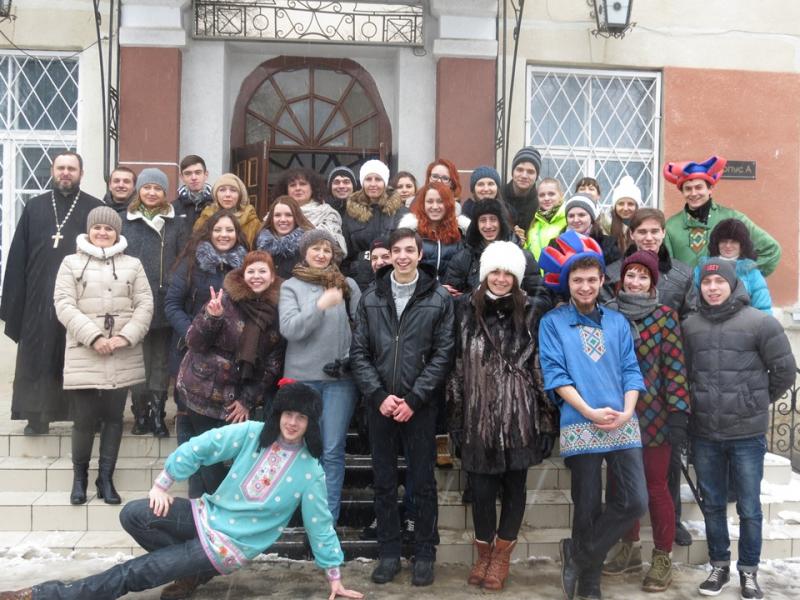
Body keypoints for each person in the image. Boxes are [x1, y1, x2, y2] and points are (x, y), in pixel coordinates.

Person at [0, 382, 364, 600]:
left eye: (301, 417)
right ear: (278, 414)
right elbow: (203, 445)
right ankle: (189, 570)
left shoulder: (310, 471)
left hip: (226, 546)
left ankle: (45, 595)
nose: (292, 422)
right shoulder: (253, 433)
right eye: (288, 414)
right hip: (205, 514)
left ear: (310, 423)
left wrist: (335, 577)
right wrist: (164, 482)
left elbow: (320, 526)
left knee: (134, 573)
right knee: (134, 514)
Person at [538, 230, 648, 600]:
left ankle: (579, 555)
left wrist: (627, 410)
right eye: (577, 280)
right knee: (586, 507)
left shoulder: (617, 322)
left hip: (622, 421)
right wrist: (587, 410)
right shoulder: (552, 322)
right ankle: (590, 582)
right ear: (567, 283)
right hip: (579, 421)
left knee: (634, 501)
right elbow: (555, 375)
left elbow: (631, 370)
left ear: (602, 281)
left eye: (591, 279)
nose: (585, 287)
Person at [683, 259, 796, 599]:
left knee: (749, 507)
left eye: (719, 282)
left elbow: (784, 371)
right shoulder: (690, 326)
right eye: (707, 283)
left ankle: (749, 571)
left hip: (746, 435)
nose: (712, 288)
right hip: (705, 432)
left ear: (733, 285)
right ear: (700, 287)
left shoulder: (760, 323)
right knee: (713, 504)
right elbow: (682, 374)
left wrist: (753, 401)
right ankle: (719, 566)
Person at [448, 241, 556, 591]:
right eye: (494, 271)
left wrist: (546, 420)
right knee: (480, 491)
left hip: (519, 416)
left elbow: (539, 367)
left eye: (508, 273)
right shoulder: (465, 310)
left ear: (517, 277)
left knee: (514, 488)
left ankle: (501, 557)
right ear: (484, 274)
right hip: (477, 417)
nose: (500, 278)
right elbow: (456, 368)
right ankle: (484, 553)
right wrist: (456, 418)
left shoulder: (531, 312)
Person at [350, 228, 455, 587]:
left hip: (419, 407)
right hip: (380, 405)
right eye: (397, 251)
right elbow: (359, 353)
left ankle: (424, 553)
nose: (403, 256)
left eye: (410, 250)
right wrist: (379, 396)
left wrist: (414, 399)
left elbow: (444, 354)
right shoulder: (371, 297)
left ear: (420, 254)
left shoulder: (438, 297)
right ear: (389, 255)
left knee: (422, 482)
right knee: (383, 482)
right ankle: (389, 553)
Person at [601, 250, 691, 592]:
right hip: (616, 415)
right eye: (631, 275)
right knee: (621, 486)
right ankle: (629, 547)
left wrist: (678, 413)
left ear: (653, 283)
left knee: (655, 487)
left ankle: (662, 556)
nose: (635, 282)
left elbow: (675, 368)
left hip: (654, 417)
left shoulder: (665, 317)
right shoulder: (608, 314)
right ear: (621, 278)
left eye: (643, 276)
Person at [53, 206, 154, 506]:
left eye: (108, 228)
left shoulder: (133, 265)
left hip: (121, 353)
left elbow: (145, 304)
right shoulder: (70, 263)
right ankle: (80, 479)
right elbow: (63, 304)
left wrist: (125, 336)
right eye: (97, 227)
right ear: (89, 230)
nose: (102, 233)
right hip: (85, 351)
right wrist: (94, 337)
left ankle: (105, 478)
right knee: (83, 420)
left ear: (117, 232)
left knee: (113, 418)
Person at [0, 151, 102, 435]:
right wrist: (13, 300)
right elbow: (18, 255)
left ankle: (84, 416)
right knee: (38, 354)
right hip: (38, 297)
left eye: (71, 168)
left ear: (81, 173)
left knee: (78, 356)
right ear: (53, 171)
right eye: (61, 168)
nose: (65, 173)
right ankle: (36, 416)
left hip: (81, 298)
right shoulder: (35, 207)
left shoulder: (94, 208)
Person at [176, 250, 285, 497]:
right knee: (207, 460)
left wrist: (247, 400)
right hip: (201, 389)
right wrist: (211, 318)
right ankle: (205, 512)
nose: (256, 276)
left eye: (262, 271)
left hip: (235, 399)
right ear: (243, 275)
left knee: (226, 460)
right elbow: (194, 341)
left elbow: (272, 364)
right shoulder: (224, 300)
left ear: (272, 277)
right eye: (251, 271)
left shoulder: (276, 311)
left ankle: (214, 511)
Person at [279, 230, 361, 523]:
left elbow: (362, 329)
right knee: (298, 449)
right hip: (302, 380)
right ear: (305, 253)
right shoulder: (290, 286)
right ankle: (293, 515)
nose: (322, 254)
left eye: (327, 250)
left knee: (332, 449)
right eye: (316, 248)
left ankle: (325, 522)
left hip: (340, 381)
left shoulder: (348, 285)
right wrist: (320, 306)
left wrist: (350, 359)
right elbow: (290, 329)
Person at [164, 210, 248, 494]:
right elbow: (172, 305)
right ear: (209, 233)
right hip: (190, 353)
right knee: (189, 419)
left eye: (229, 230)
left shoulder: (245, 267)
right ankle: (195, 490)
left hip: (227, 362)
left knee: (216, 428)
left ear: (238, 234)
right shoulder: (191, 263)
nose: (224, 235)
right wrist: (194, 332)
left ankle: (214, 491)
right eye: (218, 230)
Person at [123, 168, 182, 438]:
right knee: (138, 361)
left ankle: (158, 415)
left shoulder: (175, 223)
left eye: (157, 188)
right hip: (133, 304)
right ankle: (141, 414)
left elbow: (182, 259)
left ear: (164, 192)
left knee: (159, 362)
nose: (151, 192)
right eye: (147, 187)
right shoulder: (125, 221)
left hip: (163, 302)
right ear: (139, 190)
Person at [663, 155, 781, 275]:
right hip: (685, 288)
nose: (693, 193)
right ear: (682, 192)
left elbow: (771, 250)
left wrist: (739, 276)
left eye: (699, 187)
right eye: (688, 189)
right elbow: (667, 269)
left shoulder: (733, 219)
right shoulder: (671, 226)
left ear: (710, 189)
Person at [443, 199, 551, 306]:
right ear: (476, 224)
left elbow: (543, 300)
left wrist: (519, 301)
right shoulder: (463, 258)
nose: (488, 225)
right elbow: (449, 299)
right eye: (483, 220)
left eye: (493, 219)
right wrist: (472, 299)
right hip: (475, 316)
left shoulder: (523, 257)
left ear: (501, 222)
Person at [342, 159, 408, 290]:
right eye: (368, 179)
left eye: (378, 179)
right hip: (360, 281)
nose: (373, 184)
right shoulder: (351, 213)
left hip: (395, 278)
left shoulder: (401, 212)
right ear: (362, 182)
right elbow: (345, 254)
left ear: (385, 182)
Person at [694, 218, 772, 313]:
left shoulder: (751, 272)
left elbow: (763, 308)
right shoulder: (702, 268)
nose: (728, 245)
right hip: (707, 319)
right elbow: (692, 301)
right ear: (717, 243)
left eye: (734, 241)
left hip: (743, 321)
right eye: (724, 241)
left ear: (742, 245)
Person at [397, 181, 469, 280]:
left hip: (452, 288)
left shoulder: (461, 232)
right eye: (430, 201)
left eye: (440, 201)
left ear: (448, 204)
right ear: (423, 204)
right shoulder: (411, 233)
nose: (435, 207)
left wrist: (452, 286)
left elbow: (466, 270)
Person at [275, 167, 346, 252]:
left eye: (303, 184)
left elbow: (333, 247)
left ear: (312, 188)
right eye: (292, 185)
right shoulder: (274, 214)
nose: (298, 188)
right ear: (286, 190)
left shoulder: (328, 214)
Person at [255, 195, 315, 279]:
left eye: (288, 215)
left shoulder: (309, 246)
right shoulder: (260, 242)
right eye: (277, 215)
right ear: (271, 218)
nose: (283, 219)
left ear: (296, 217)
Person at [193, 173, 260, 247]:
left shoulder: (252, 223)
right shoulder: (204, 220)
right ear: (216, 194)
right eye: (222, 190)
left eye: (233, 190)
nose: (227, 194)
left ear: (240, 195)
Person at [558, 193, 621, 266]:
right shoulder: (556, 244)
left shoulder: (608, 244)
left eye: (581, 215)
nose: (576, 220)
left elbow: (614, 271)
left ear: (592, 218)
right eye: (571, 216)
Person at [524, 177, 568, 262]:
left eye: (551, 194)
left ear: (561, 195)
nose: (546, 198)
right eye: (542, 195)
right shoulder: (534, 222)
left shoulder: (568, 220)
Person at [503, 146, 541, 236]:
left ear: (536, 176)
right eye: (520, 170)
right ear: (512, 172)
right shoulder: (498, 196)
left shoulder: (541, 204)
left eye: (530, 172)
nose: (524, 175)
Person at [173, 154, 213, 239]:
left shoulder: (217, 205)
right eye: (188, 173)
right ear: (181, 177)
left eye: (198, 172)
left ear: (206, 174)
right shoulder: (173, 208)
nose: (193, 177)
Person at [601, 175, 641, 257]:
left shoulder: (643, 225)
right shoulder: (604, 225)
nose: (625, 208)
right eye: (621, 204)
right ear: (615, 206)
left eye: (630, 204)